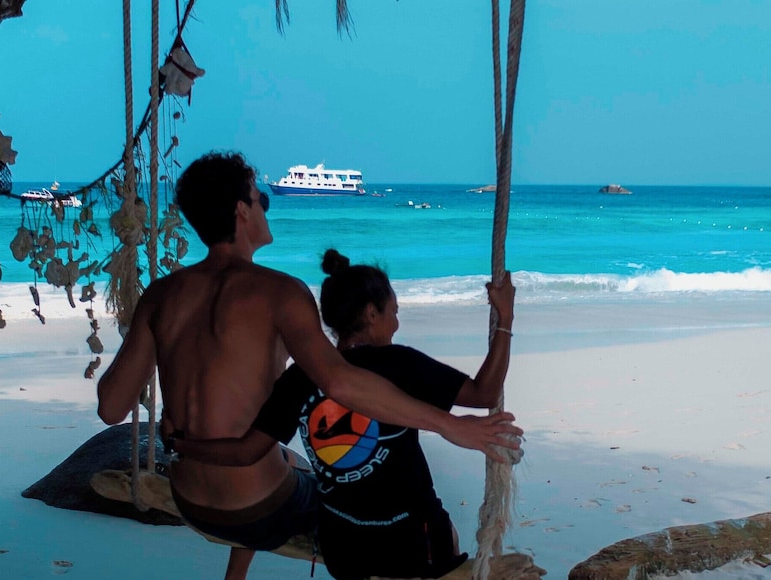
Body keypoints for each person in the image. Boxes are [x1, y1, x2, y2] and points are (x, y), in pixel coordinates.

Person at [95, 152, 521, 580]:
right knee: (322, 485)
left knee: (285, 455)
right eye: (261, 197)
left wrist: (179, 431)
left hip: (189, 499)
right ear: (242, 212)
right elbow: (339, 379)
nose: (266, 204)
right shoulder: (280, 293)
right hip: (258, 510)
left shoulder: (161, 295)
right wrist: (449, 425)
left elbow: (112, 408)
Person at [175, 249, 516, 579]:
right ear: (371, 314)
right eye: (393, 312)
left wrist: (183, 446)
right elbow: (484, 393)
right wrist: (505, 319)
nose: (396, 323)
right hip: (411, 543)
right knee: (445, 532)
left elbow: (245, 452)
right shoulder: (399, 363)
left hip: (343, 546)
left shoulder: (299, 376)